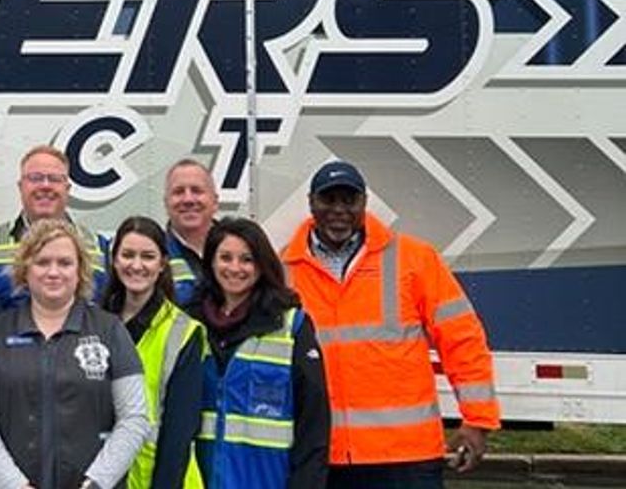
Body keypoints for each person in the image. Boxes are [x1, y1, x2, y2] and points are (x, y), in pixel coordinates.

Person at [281, 160, 501, 488]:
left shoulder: (415, 260)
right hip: (323, 454)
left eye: (349, 199)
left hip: (406, 457)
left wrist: (478, 420)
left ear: (364, 202)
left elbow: (462, 340)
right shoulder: (284, 269)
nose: (338, 209)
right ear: (312, 202)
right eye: (328, 199)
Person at [0, 219, 149, 489]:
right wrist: (13, 485)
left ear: (80, 270)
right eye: (42, 262)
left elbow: (134, 417)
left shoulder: (110, 330)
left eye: (64, 263)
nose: (53, 272)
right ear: (25, 269)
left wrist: (96, 483)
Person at [195, 217, 330, 489]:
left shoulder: (291, 325)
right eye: (225, 257)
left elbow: (313, 424)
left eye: (246, 259)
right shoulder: (188, 324)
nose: (235, 268)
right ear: (211, 262)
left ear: (262, 266)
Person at [99, 216, 204, 489]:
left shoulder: (183, 331)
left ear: (162, 264)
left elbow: (178, 433)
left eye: (147, 256)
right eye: (127, 255)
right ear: (114, 261)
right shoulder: (96, 323)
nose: (136, 265)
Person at [0, 145, 108, 312]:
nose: (45, 185)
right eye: (35, 178)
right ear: (21, 186)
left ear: (67, 188)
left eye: (54, 179)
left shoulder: (99, 246)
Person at [163, 159, 219, 306]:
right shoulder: (153, 255)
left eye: (197, 190)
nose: (188, 199)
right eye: (178, 192)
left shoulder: (242, 248)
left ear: (215, 201)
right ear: (166, 203)